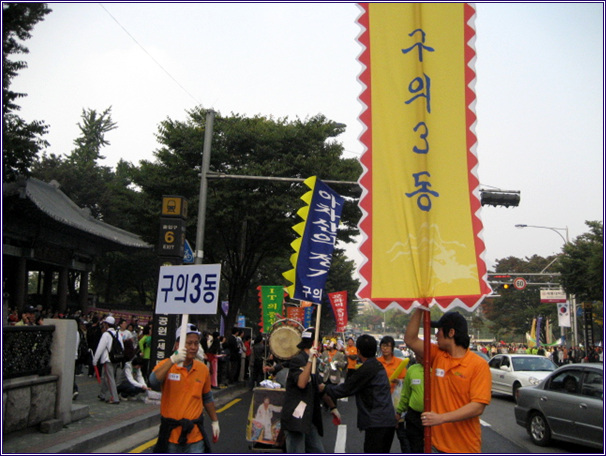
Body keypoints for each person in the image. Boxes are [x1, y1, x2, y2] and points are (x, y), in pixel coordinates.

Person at [404, 309, 491, 453]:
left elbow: (477, 406)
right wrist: (420, 306)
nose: (436, 334)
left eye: (439, 330)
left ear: (451, 333)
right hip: (435, 445)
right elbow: (410, 339)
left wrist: (441, 418)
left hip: (465, 448)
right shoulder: (438, 355)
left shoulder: (478, 365)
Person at [150, 323, 220, 453]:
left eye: (196, 343)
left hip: (195, 436)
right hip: (170, 436)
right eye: (189, 343)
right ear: (178, 345)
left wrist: (215, 421)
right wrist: (172, 360)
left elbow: (207, 397)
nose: (193, 347)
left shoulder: (202, 369)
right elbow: (153, 382)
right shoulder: (166, 365)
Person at [321, 334, 396, 453]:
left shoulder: (367, 369)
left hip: (377, 422)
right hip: (387, 420)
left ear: (359, 351)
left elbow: (345, 389)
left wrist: (324, 388)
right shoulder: (376, 365)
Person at [280, 327, 327, 453]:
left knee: (318, 451)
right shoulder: (299, 360)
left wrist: (333, 408)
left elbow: (318, 386)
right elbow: (301, 383)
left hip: (308, 417)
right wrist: (310, 360)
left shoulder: (314, 362)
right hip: (296, 418)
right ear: (315, 344)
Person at [376, 335, 408, 451]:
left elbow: (406, 381)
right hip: (381, 402)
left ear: (392, 348)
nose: (385, 349)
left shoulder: (400, 363)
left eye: (388, 346)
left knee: (402, 434)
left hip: (396, 402)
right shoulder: (376, 362)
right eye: (383, 346)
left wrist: (398, 381)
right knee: (383, 436)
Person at [396, 352, 425, 453]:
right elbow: (405, 393)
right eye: (417, 355)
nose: (418, 357)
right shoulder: (412, 369)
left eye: (420, 354)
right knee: (414, 447)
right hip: (414, 416)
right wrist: (399, 412)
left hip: (433, 416)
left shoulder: (437, 369)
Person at [92, 316, 121, 404]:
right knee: (106, 377)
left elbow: (100, 348)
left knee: (109, 378)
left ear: (106, 325)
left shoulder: (106, 335)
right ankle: (102, 394)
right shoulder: (118, 333)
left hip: (107, 359)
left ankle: (114, 398)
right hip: (116, 358)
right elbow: (121, 347)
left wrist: (95, 360)